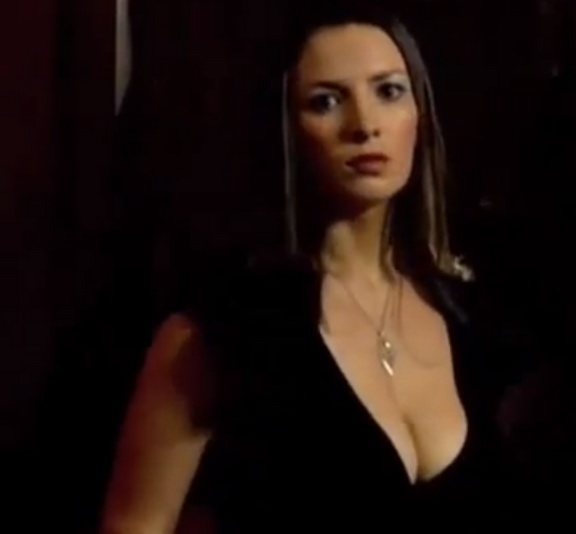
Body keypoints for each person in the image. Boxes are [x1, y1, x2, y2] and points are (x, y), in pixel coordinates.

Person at [99, 3, 526, 532]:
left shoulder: (471, 323)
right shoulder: (219, 335)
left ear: (420, 114)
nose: (364, 125)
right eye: (326, 101)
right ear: (287, 130)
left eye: (389, 91)